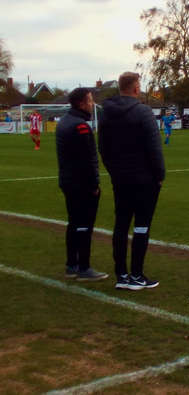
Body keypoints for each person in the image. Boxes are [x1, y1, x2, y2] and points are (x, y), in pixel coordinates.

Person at [99, 72, 165, 291]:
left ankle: (122, 274)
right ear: (135, 88)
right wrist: (159, 175)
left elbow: (103, 148)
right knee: (141, 226)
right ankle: (136, 275)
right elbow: (154, 148)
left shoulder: (106, 113)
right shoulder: (143, 112)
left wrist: (114, 171)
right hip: (144, 179)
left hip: (121, 179)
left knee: (121, 224)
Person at [55, 88, 108, 282]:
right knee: (84, 224)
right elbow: (87, 159)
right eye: (90, 101)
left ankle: (71, 264)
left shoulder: (64, 122)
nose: (92, 104)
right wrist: (94, 184)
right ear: (81, 103)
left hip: (68, 181)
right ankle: (83, 267)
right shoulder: (80, 127)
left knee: (74, 223)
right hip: (81, 184)